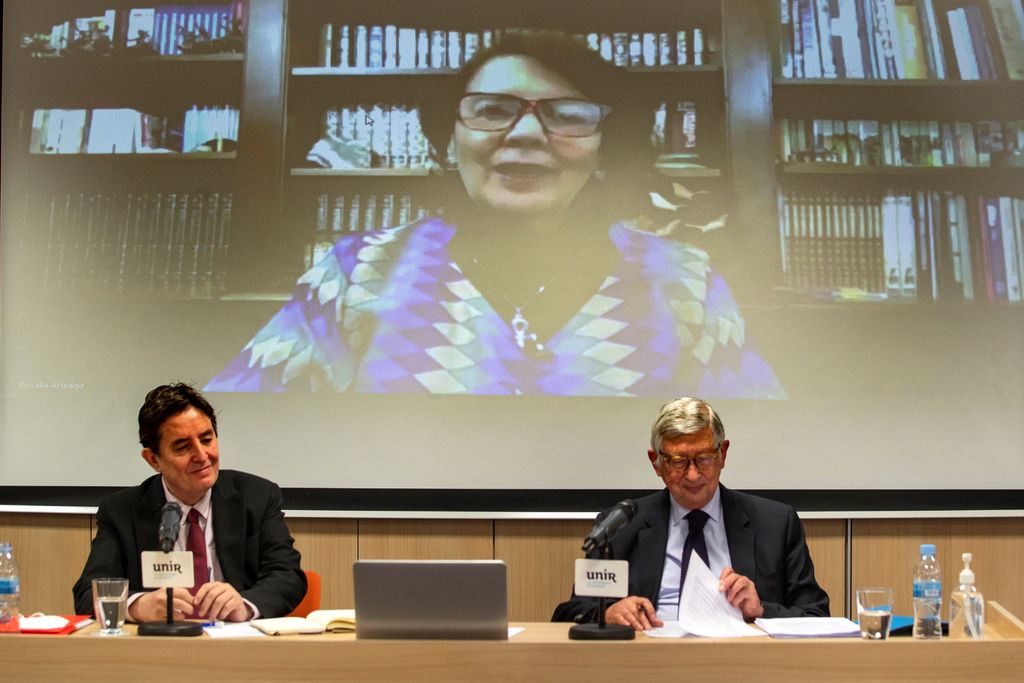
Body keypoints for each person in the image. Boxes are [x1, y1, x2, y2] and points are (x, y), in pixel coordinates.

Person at [207, 31, 784, 397]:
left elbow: (754, 453)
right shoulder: (358, 271)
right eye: (491, 111)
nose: (527, 134)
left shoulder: (687, 282)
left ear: (606, 150)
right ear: (450, 141)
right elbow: (237, 437)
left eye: (569, 115)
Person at [552, 397, 829, 628]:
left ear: (723, 454)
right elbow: (570, 613)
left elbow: (816, 616)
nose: (693, 475)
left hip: (743, 663)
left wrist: (761, 610)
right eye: (678, 461)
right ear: (656, 462)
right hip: (649, 662)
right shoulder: (620, 527)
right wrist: (608, 613)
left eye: (704, 458)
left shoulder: (775, 524)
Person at [72, 383, 306, 622]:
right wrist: (138, 606)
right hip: (158, 641)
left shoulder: (257, 497)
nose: (202, 456)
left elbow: (288, 576)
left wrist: (244, 605)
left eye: (207, 440)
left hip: (233, 638)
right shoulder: (120, 511)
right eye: (183, 447)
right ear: (153, 459)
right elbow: (87, 593)